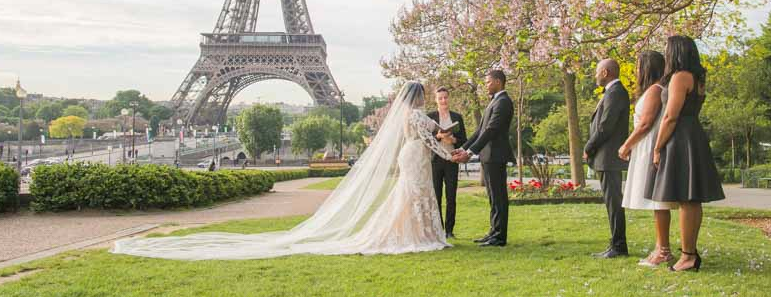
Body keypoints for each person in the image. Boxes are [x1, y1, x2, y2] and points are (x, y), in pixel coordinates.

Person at [113, 81, 458, 259]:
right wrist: (453, 152)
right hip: (416, 157)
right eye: (424, 94)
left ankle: (410, 233)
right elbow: (433, 141)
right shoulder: (415, 115)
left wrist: (446, 147)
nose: (426, 97)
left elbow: (430, 139)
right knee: (415, 196)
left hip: (411, 157)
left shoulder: (404, 115)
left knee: (409, 197)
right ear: (417, 97)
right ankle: (418, 235)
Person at [645, 36, 725, 272]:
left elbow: (670, 116)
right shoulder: (698, 78)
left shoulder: (680, 77)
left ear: (675, 53)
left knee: (687, 199)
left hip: (680, 138)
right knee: (690, 198)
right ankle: (689, 254)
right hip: (693, 136)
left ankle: (688, 256)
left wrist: (657, 147)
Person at [618, 50, 678, 267]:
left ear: (646, 68)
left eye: (637, 66)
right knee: (656, 201)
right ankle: (661, 247)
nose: (635, 71)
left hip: (650, 146)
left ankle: (663, 250)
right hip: (647, 146)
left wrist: (626, 144)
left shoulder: (655, 90)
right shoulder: (661, 89)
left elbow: (646, 123)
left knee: (657, 200)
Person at [452, 69, 514, 247]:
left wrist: (470, 153)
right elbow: (480, 131)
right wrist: (462, 148)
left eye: (488, 82)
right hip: (488, 156)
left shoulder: (503, 102)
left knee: (499, 196)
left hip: (496, 155)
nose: (486, 85)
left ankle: (500, 236)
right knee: (492, 196)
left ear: (497, 82)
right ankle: (494, 231)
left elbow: (491, 131)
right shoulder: (494, 102)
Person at [584, 58, 631, 259]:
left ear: (605, 72)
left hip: (609, 156)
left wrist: (588, 147)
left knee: (613, 202)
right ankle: (615, 243)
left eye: (596, 72)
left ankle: (619, 246)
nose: (594, 76)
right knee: (611, 201)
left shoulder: (616, 92)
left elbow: (605, 126)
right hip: (606, 157)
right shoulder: (612, 92)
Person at [427, 86, 467, 238]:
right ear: (436, 100)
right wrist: (437, 136)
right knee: (436, 196)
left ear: (449, 98)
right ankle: (438, 231)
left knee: (451, 197)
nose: (443, 100)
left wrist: (453, 139)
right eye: (440, 98)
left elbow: (464, 140)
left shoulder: (457, 117)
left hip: (452, 160)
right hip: (435, 161)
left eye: (446, 97)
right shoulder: (430, 117)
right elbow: (425, 139)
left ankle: (449, 231)